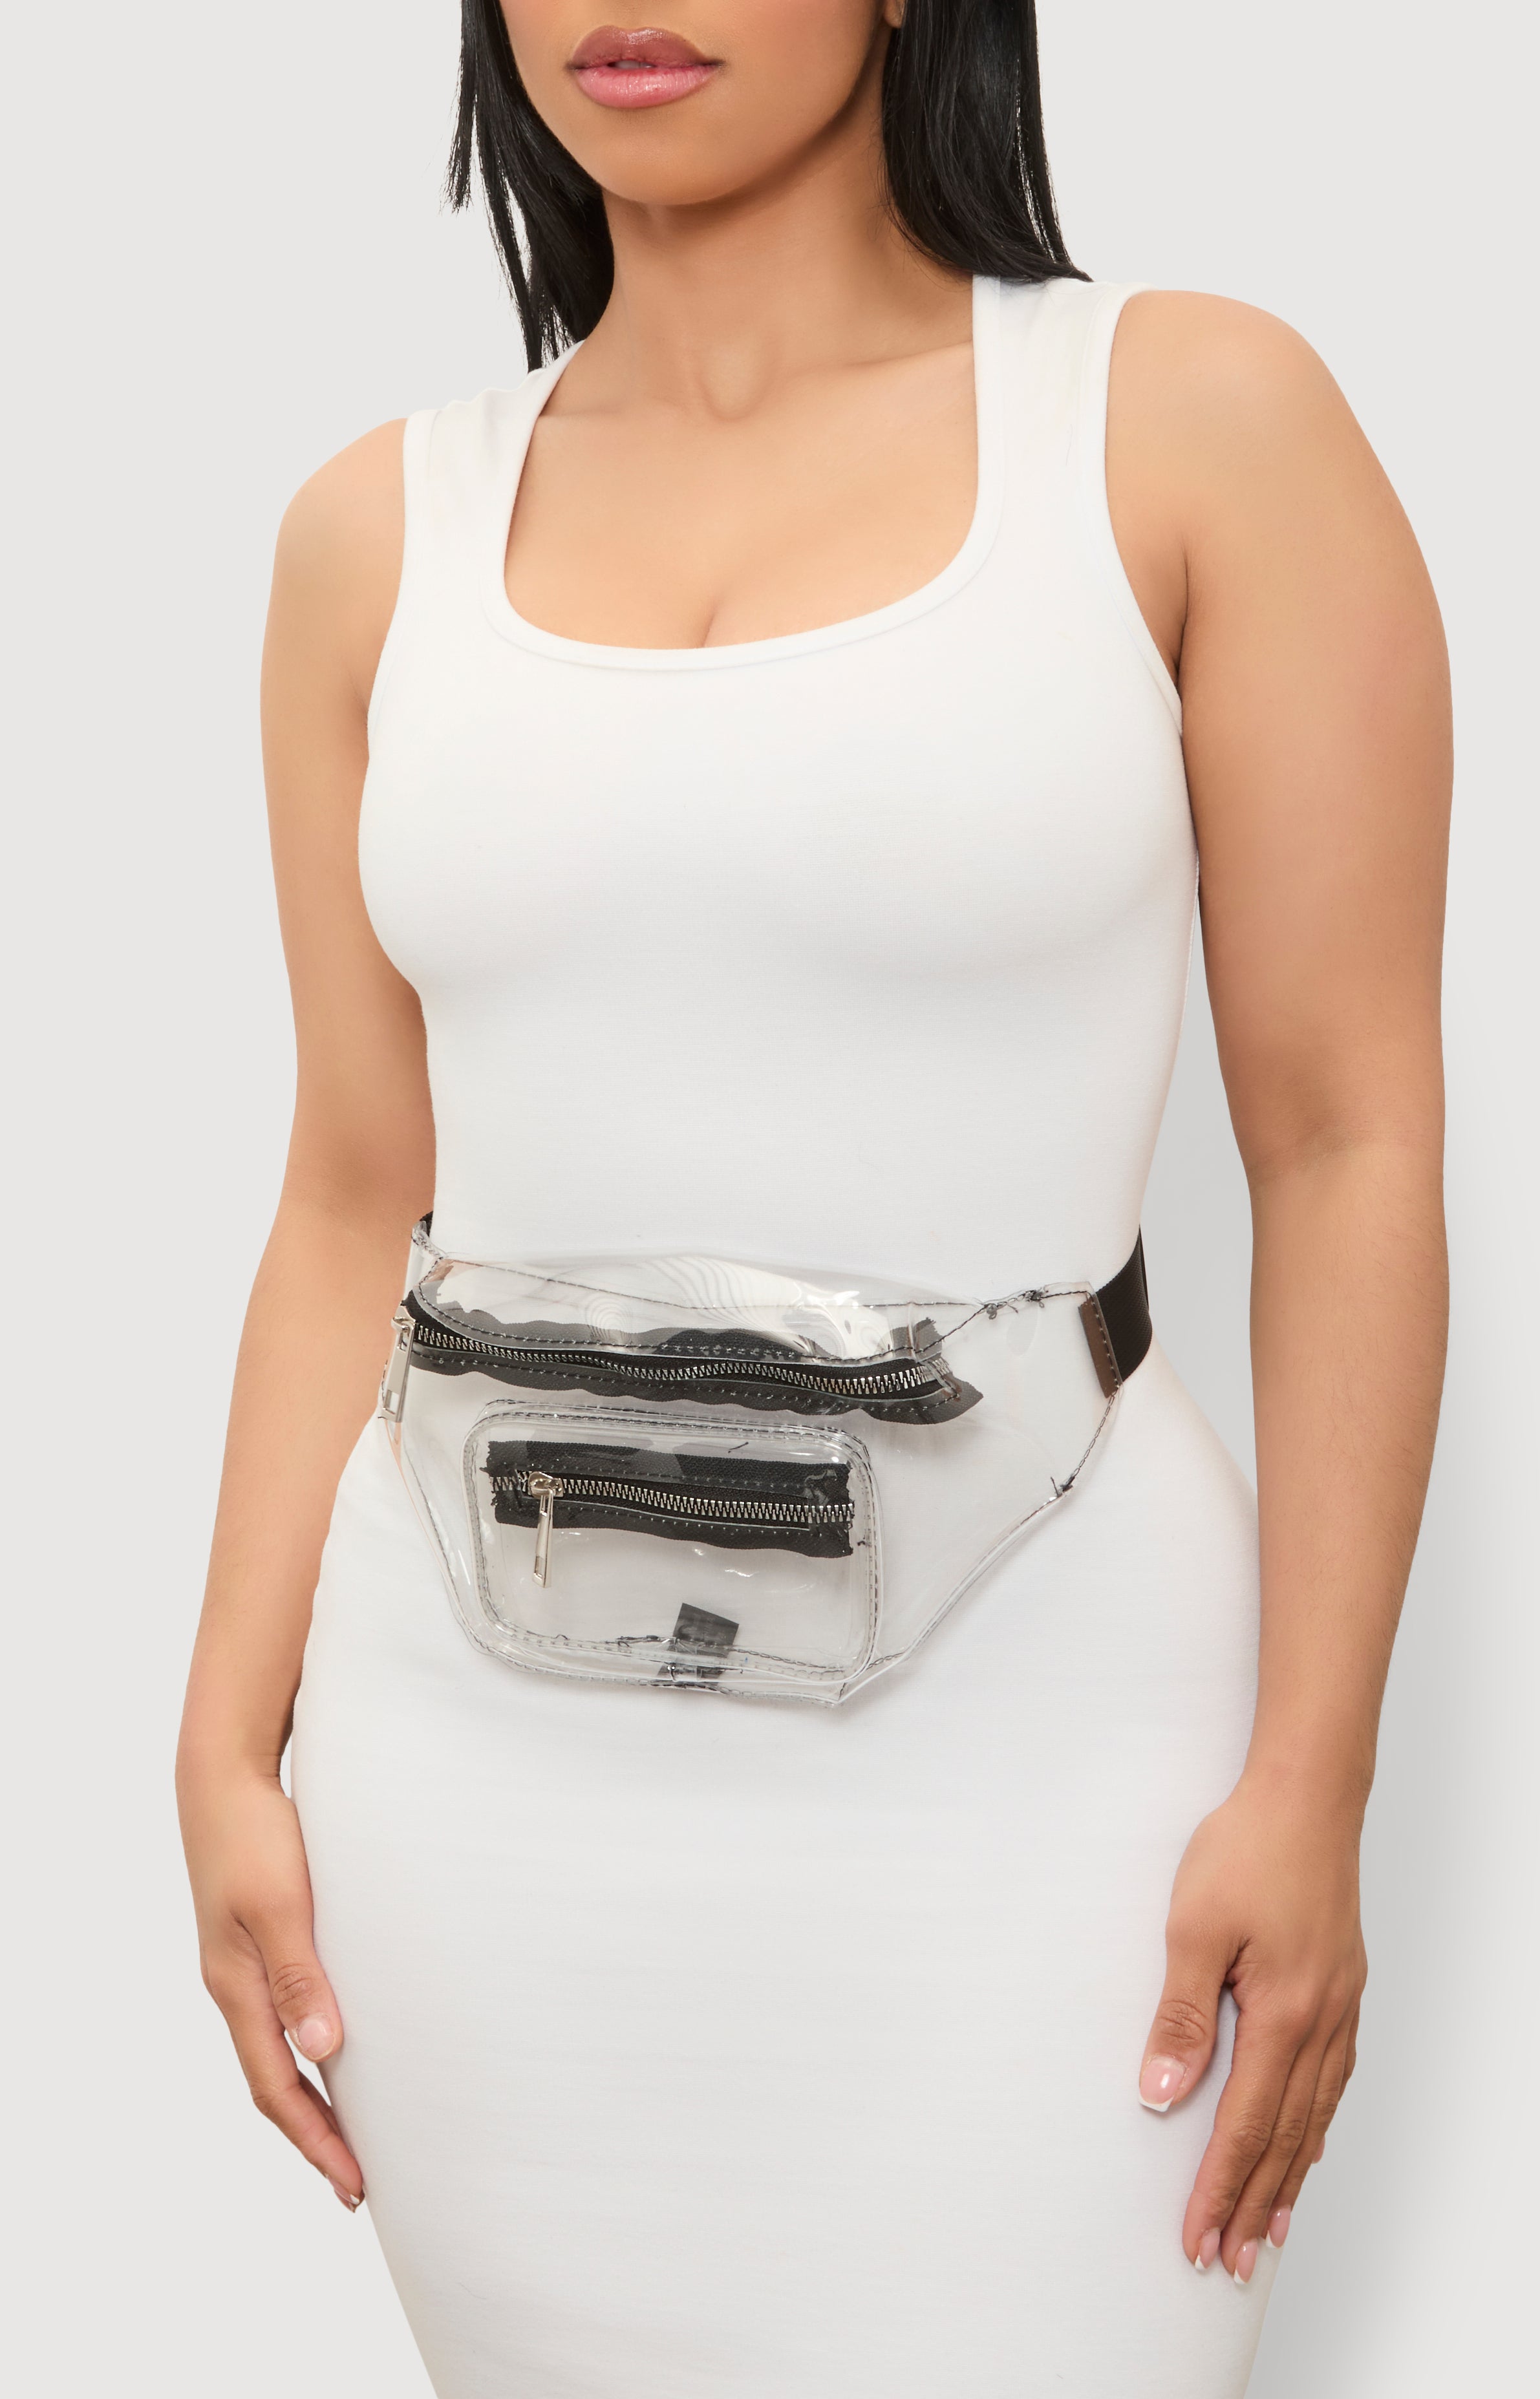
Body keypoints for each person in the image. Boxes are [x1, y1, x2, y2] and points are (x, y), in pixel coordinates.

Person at [176, 5, 1451, 2393]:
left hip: (1053, 1758)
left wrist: (1314, 1780)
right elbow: (352, 1187)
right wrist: (224, 1743)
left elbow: (1344, 1138)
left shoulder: (1190, 424)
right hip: (466, 1789)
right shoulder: (371, 533)